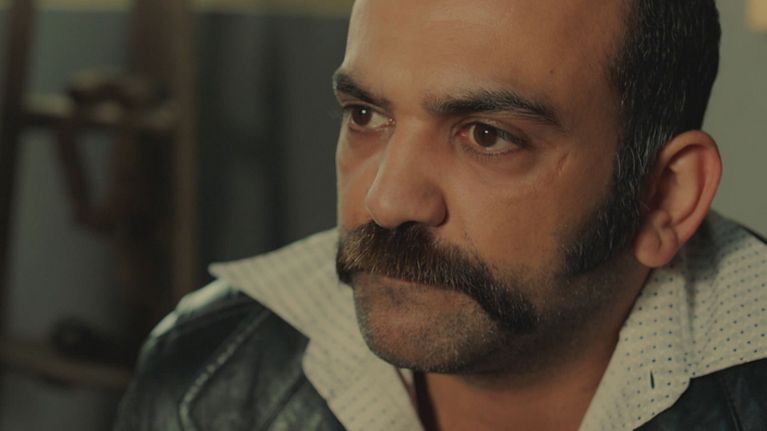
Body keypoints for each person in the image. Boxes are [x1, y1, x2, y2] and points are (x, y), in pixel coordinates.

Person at [115, 0, 767, 430]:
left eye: (487, 135)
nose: (386, 202)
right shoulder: (206, 376)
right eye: (365, 116)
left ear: (664, 197)